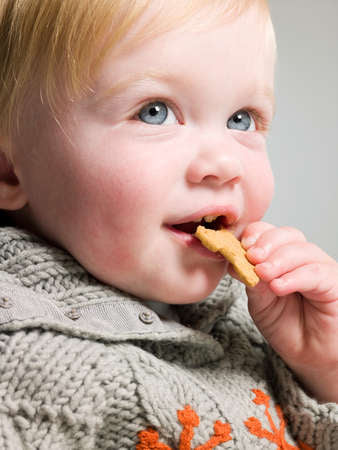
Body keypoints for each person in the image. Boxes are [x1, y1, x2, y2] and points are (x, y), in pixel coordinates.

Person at [0, 0, 337, 448]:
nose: (223, 162)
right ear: (9, 169)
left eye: (242, 119)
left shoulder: (255, 321)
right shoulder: (29, 361)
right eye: (154, 111)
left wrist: (322, 369)